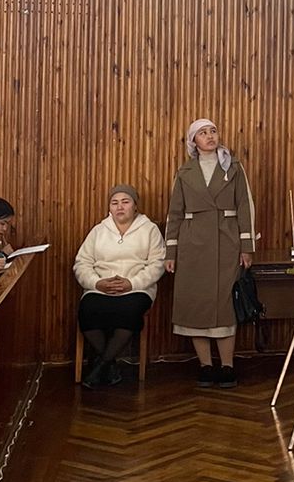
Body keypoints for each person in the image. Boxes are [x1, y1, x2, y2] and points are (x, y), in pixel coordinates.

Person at [164, 120, 256, 389]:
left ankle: (227, 366)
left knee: (224, 305)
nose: (210, 136)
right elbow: (174, 214)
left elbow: (245, 206)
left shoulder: (233, 167)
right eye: (203, 133)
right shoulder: (184, 172)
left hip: (226, 243)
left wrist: (246, 247)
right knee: (196, 305)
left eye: (213, 131)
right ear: (193, 141)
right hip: (192, 246)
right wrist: (171, 251)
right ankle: (205, 366)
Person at [73, 185, 167, 388]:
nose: (120, 207)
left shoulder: (149, 229)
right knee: (87, 310)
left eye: (125, 202)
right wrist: (97, 283)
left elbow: (158, 264)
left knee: (129, 311)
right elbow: (82, 263)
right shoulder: (98, 231)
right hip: (100, 287)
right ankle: (109, 365)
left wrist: (132, 283)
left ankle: (101, 366)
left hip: (137, 288)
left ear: (135, 206)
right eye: (114, 203)